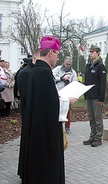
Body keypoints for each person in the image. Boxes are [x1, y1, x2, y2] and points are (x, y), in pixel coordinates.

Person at [22, 36, 67, 184]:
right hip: (45, 131)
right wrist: (67, 100)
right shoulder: (45, 73)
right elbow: (50, 105)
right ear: (51, 53)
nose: (57, 58)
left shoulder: (35, 71)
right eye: (57, 54)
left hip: (36, 127)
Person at [16, 48, 40, 179]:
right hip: (28, 113)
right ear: (35, 59)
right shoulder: (25, 73)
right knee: (27, 142)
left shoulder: (34, 72)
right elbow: (26, 96)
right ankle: (25, 171)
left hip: (33, 112)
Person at [83, 44, 107, 147]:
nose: (91, 54)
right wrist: (85, 93)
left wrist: (101, 98)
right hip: (89, 95)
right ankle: (92, 136)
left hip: (96, 97)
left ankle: (98, 138)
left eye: (93, 52)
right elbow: (86, 81)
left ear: (98, 53)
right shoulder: (88, 65)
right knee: (91, 117)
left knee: (98, 118)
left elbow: (103, 84)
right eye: (90, 52)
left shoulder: (101, 66)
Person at [52, 56, 77, 134]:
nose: (68, 66)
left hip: (67, 94)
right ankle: (55, 126)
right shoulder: (58, 69)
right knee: (56, 110)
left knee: (68, 110)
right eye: (66, 64)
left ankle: (67, 126)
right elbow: (52, 77)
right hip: (58, 92)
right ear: (64, 63)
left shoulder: (73, 72)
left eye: (69, 64)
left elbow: (75, 83)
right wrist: (61, 78)